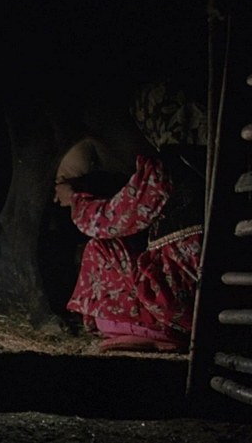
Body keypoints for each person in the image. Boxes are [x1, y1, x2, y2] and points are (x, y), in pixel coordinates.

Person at [54, 142, 206, 352]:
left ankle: (152, 328)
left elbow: (111, 219)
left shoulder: (164, 166)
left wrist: (74, 199)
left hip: (182, 301)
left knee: (101, 247)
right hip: (205, 290)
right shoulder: (200, 159)